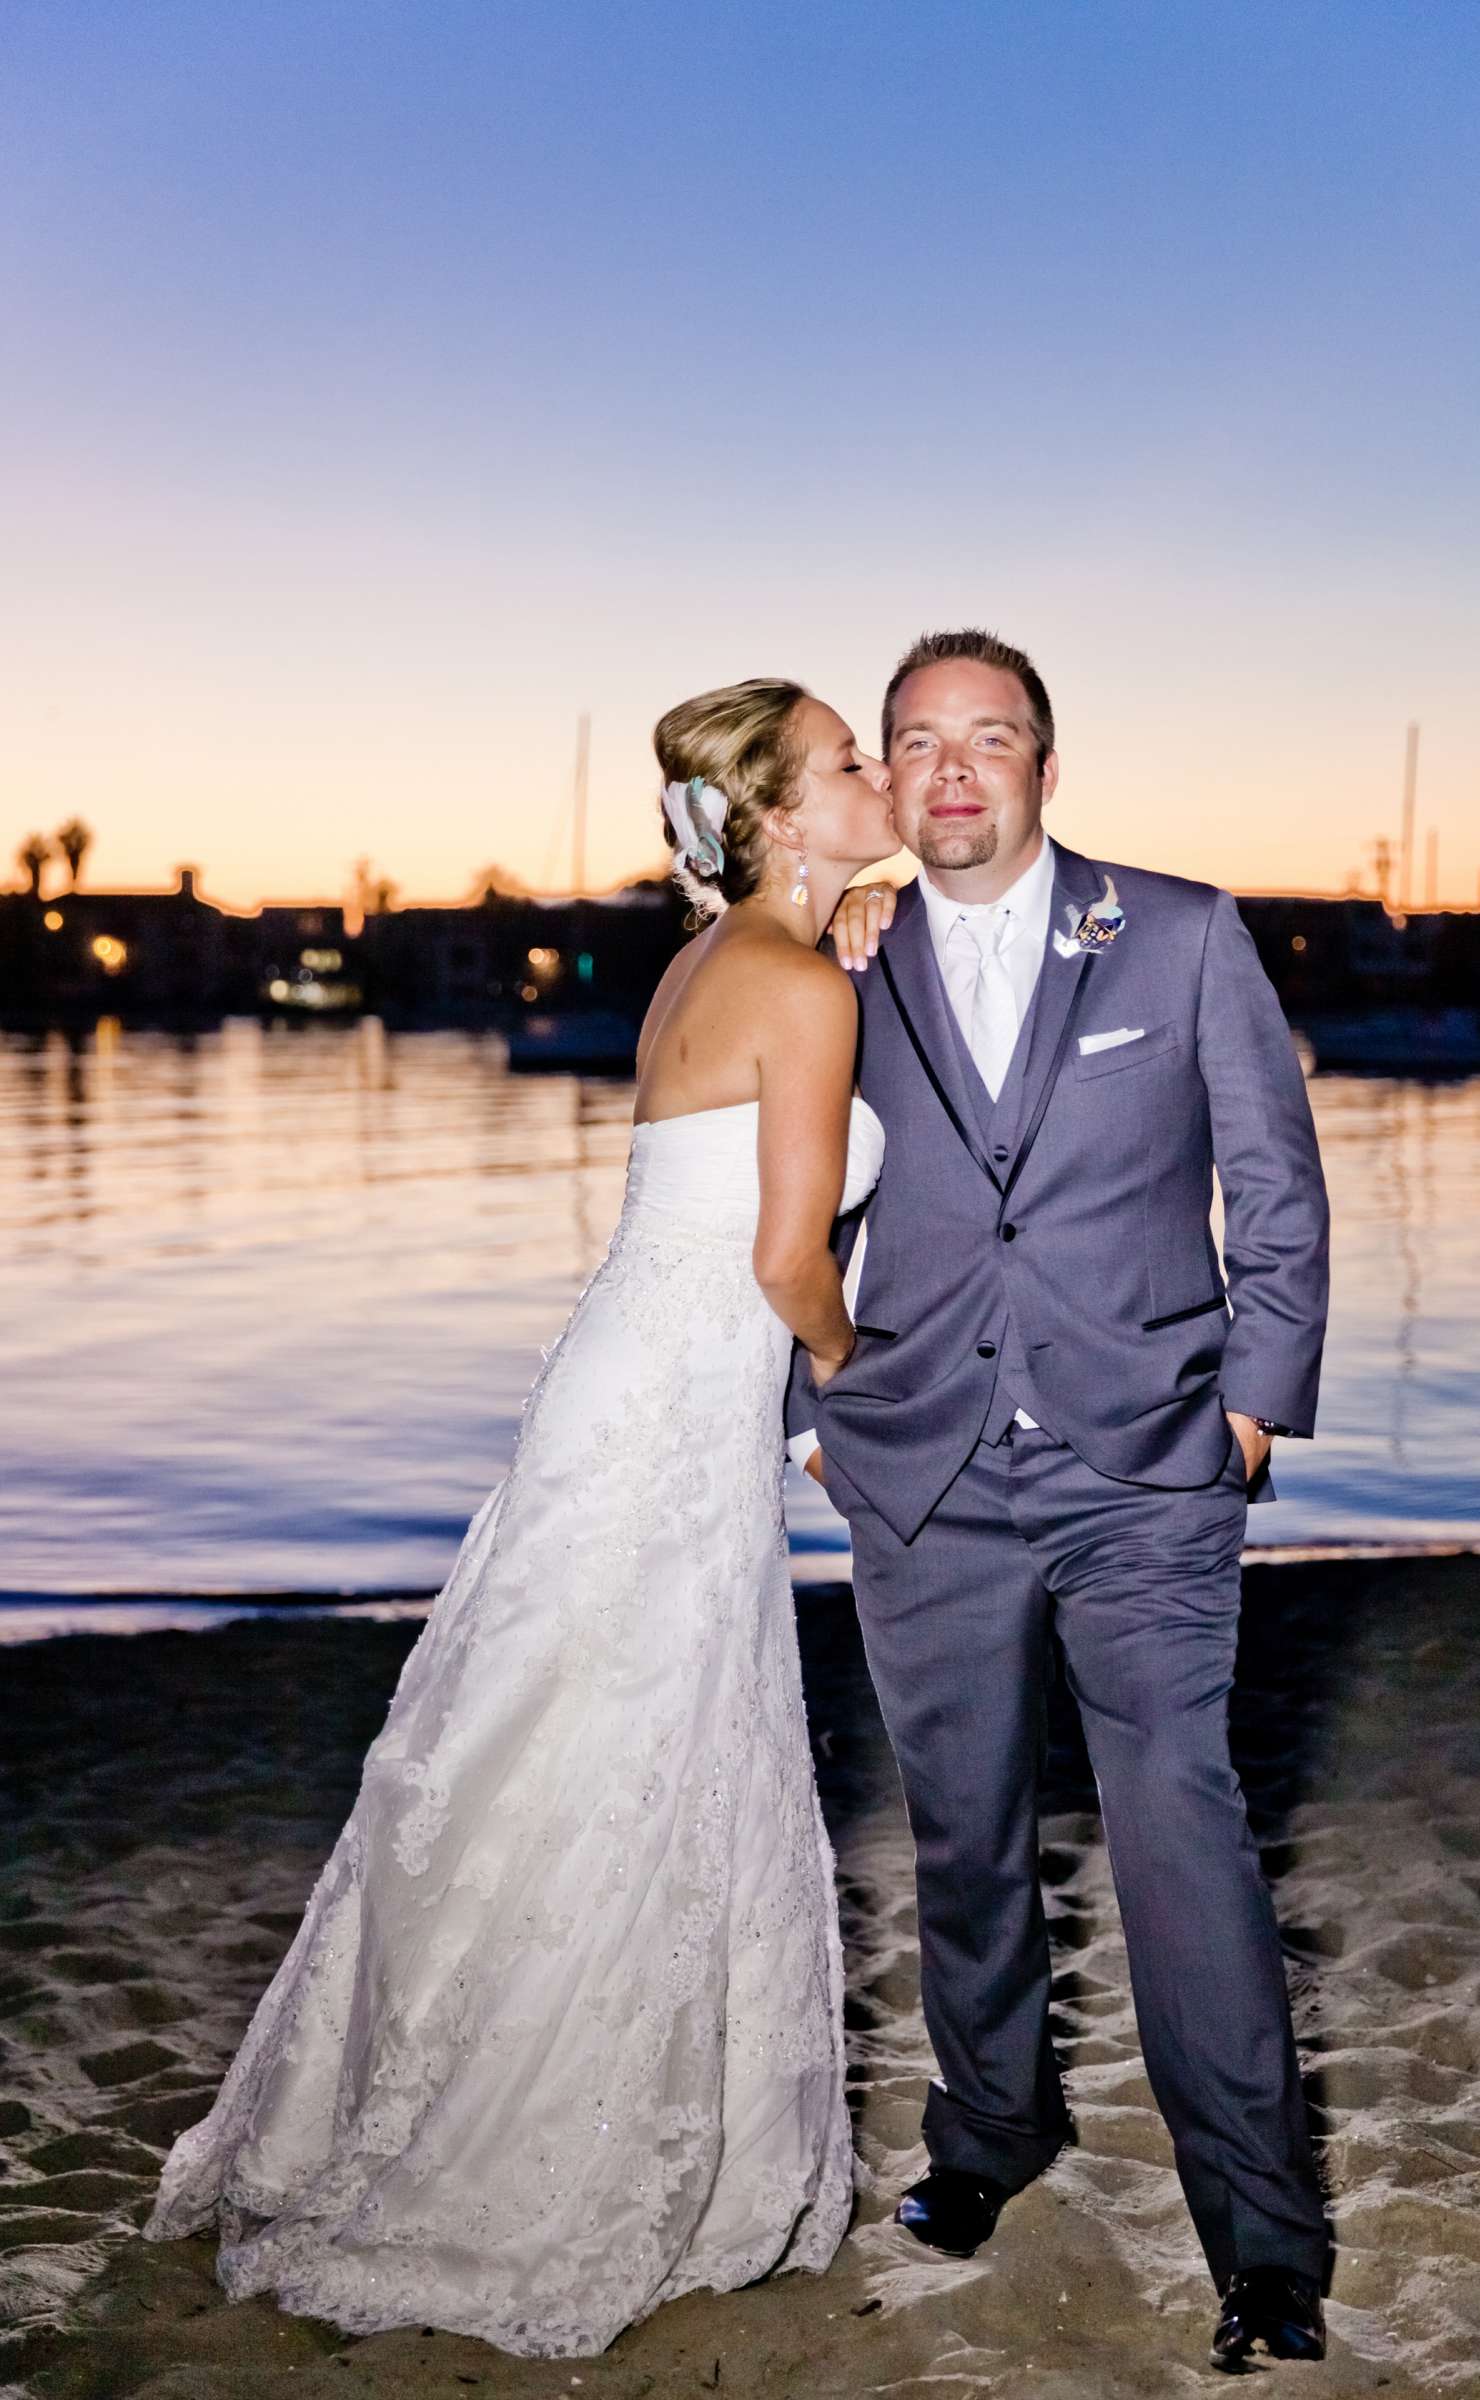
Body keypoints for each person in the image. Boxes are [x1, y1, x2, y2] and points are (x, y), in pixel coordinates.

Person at [143, 680, 898, 2359]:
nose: (880, 777)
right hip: (676, 1415)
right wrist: (865, 1383)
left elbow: (710, 1233)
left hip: (625, 1389)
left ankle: (451, 2114)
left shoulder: (717, 966)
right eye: (849, 762)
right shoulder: (793, 982)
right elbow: (786, 1264)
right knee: (626, 1754)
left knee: (549, 1744)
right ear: (777, 812)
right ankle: (547, 2166)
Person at [791, 628, 1333, 2375]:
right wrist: (816, 1403)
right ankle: (989, 2134)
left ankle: (1262, 2235)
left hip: (1147, 1466)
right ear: (887, 774)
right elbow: (784, 1195)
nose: (954, 771)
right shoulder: (836, 966)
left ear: (1045, 763)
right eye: (918, 743)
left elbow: (1273, 1176)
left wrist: (1256, 1403)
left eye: (990, 738)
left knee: (1181, 1827)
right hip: (922, 1465)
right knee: (959, 1834)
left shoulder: (1178, 933)